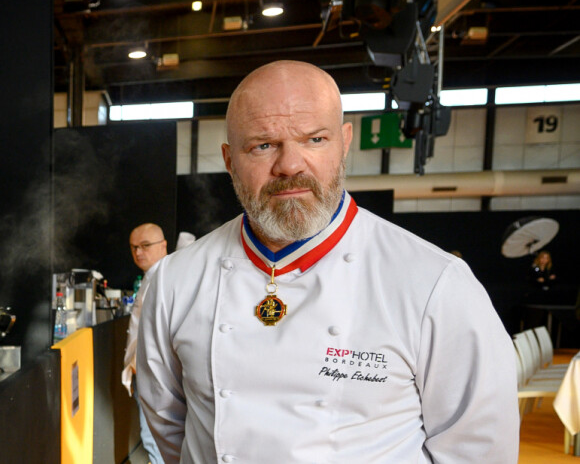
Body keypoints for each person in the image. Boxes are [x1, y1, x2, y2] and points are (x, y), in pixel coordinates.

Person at [137, 60, 520, 463]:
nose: (289, 165)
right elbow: (169, 427)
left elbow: (479, 449)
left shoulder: (435, 284)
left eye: (314, 140)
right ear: (230, 160)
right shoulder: (174, 280)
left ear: (344, 142)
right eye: (263, 145)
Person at [122, 223, 168, 464]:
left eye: (145, 246)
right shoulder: (151, 276)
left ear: (163, 246)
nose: (138, 252)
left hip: (156, 374)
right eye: (134, 247)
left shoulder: (166, 278)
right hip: (147, 371)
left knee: (154, 437)